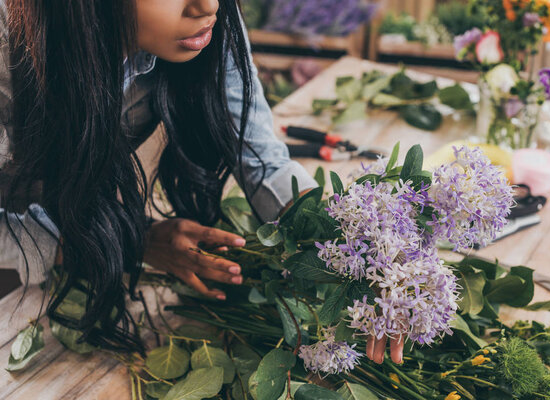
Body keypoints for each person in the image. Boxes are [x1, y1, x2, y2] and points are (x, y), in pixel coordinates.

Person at [0, 0, 403, 365]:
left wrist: (363, 254)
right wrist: (124, 242)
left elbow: (263, 162)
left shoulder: (205, 21)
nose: (209, 5)